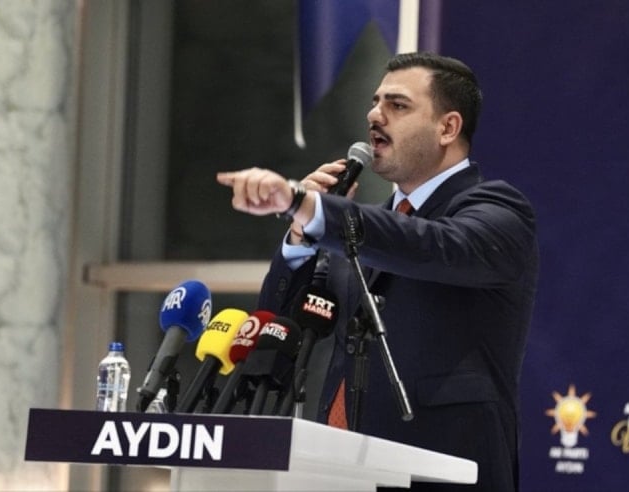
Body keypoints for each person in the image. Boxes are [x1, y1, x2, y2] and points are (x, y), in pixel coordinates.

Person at [216, 52, 538, 491]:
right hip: (342, 472)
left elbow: (427, 245)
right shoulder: (359, 229)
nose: (374, 115)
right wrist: (300, 232)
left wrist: (310, 208)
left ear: (448, 128)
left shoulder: (499, 212)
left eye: (397, 105)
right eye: (375, 102)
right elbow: (278, 323)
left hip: (445, 472)